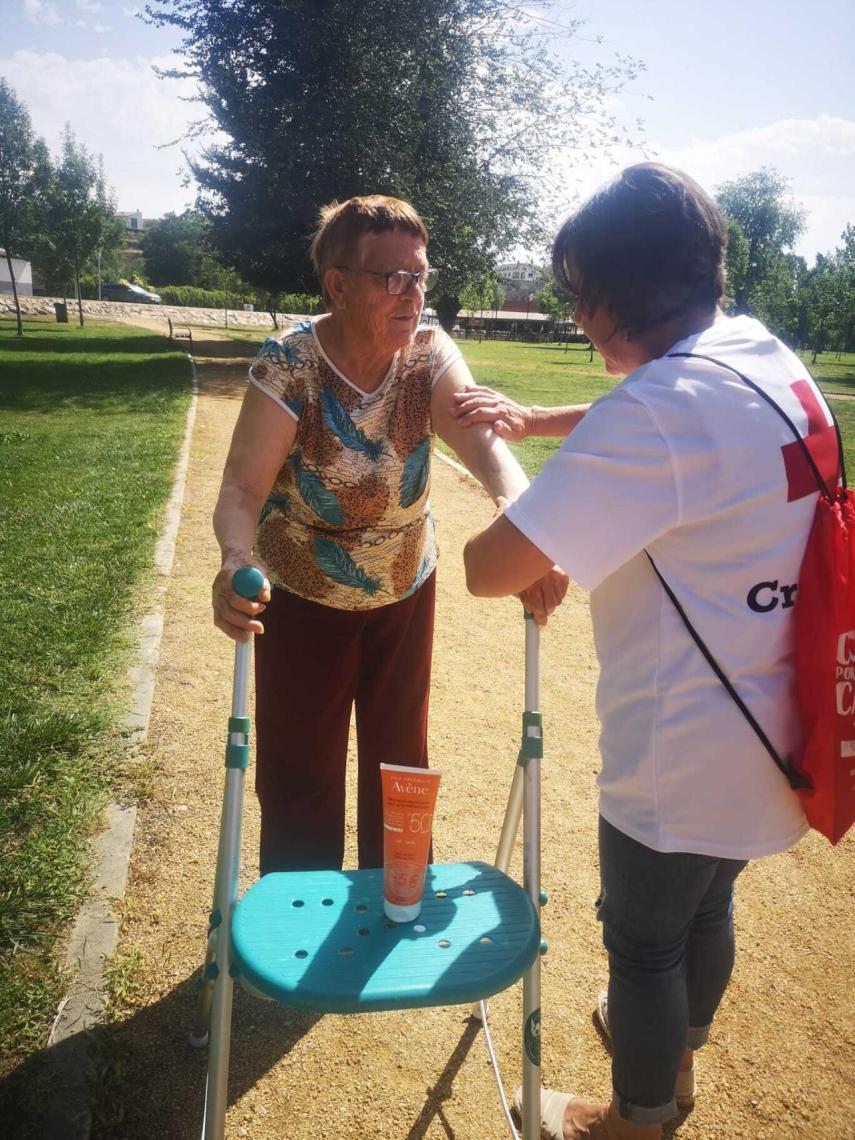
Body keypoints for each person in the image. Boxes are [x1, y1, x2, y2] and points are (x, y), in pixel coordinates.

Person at [463, 163, 831, 1140]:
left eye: (577, 298)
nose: (576, 320)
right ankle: (673, 1056)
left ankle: (638, 1119)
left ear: (606, 298)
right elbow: (665, 419)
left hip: (683, 743)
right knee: (704, 915)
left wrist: (503, 465)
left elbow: (490, 568)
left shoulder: (660, 412)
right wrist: (543, 423)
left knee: (644, 942)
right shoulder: (757, 353)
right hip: (779, 719)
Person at [211, 194, 567, 875]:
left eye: (419, 276)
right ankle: (297, 915)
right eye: (391, 278)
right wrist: (233, 558)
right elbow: (240, 490)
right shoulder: (290, 363)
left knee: (401, 762)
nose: (411, 293)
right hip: (302, 593)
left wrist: (524, 523)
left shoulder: (428, 355)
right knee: (299, 766)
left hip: (404, 589)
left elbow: (484, 446)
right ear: (337, 285)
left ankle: (397, 894)